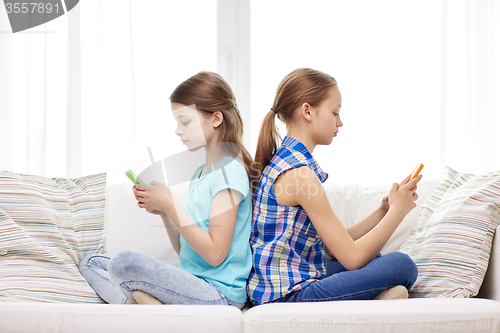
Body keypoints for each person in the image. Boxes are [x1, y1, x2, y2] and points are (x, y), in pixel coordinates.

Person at [79, 71, 254, 308]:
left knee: (123, 261)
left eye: (185, 121)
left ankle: (139, 302)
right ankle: (136, 304)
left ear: (216, 119)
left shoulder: (229, 171)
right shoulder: (200, 174)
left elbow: (215, 254)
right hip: (193, 283)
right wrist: (164, 213)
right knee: (91, 262)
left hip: (219, 294)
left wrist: (171, 205)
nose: (178, 130)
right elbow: (185, 250)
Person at [247, 68, 420, 306]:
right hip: (290, 296)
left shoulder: (286, 161)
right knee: (402, 265)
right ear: (307, 111)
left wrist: (383, 212)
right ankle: (376, 298)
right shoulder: (301, 175)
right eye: (335, 112)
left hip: (282, 286)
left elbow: (330, 247)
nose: (340, 122)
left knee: (376, 258)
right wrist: (399, 212)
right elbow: (353, 258)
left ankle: (376, 297)